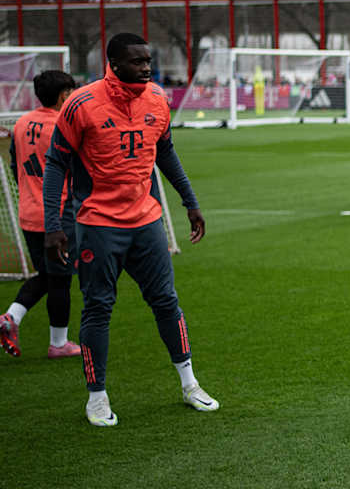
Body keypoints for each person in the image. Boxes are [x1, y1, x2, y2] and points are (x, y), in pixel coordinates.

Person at [43, 32, 216, 427]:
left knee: (166, 302)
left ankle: (190, 384)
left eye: (148, 60)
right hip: (98, 225)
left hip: (147, 222)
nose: (146, 67)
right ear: (115, 64)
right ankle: (97, 397)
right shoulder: (81, 104)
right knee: (99, 308)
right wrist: (54, 225)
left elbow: (166, 152)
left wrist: (190, 202)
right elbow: (55, 164)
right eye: (137, 61)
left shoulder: (157, 98)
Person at [0, 70, 81, 359]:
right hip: (58, 215)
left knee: (47, 275)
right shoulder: (64, 124)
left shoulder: (21, 123)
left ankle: (11, 318)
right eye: (71, 92)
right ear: (63, 95)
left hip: (28, 212)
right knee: (60, 278)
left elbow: (12, 165)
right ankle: (58, 344)